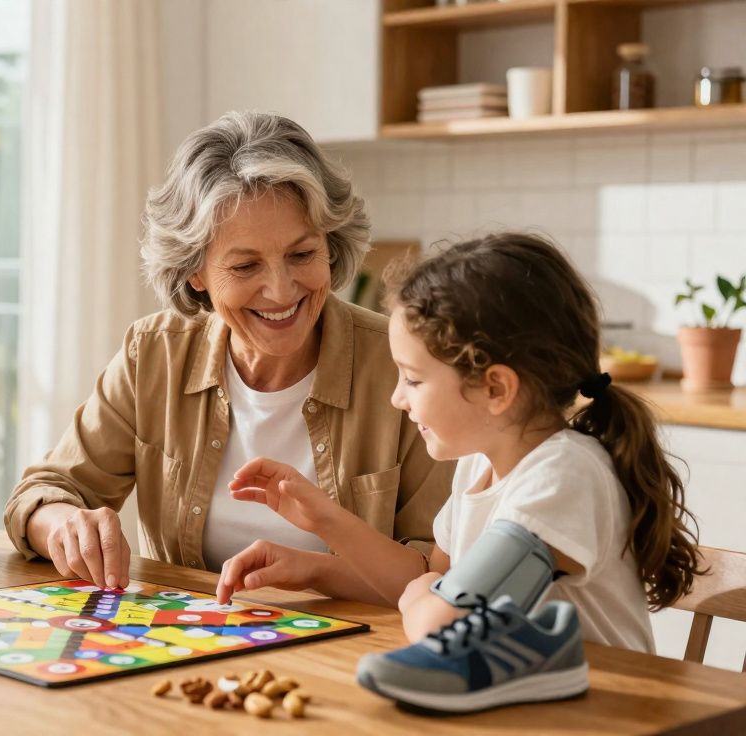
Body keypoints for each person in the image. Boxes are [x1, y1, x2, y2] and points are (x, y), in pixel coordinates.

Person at [4, 111, 454, 596]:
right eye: (245, 266)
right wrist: (65, 524)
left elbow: (440, 568)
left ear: (331, 245)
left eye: (302, 255)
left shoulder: (403, 367)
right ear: (195, 271)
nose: (281, 291)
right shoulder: (155, 355)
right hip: (187, 645)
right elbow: (40, 493)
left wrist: (314, 571)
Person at [228, 231, 702, 652]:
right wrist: (317, 546)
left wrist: (424, 597)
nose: (398, 398)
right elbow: (426, 580)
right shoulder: (479, 464)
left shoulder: (561, 476)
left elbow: (446, 622)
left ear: (495, 389)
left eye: (413, 380)